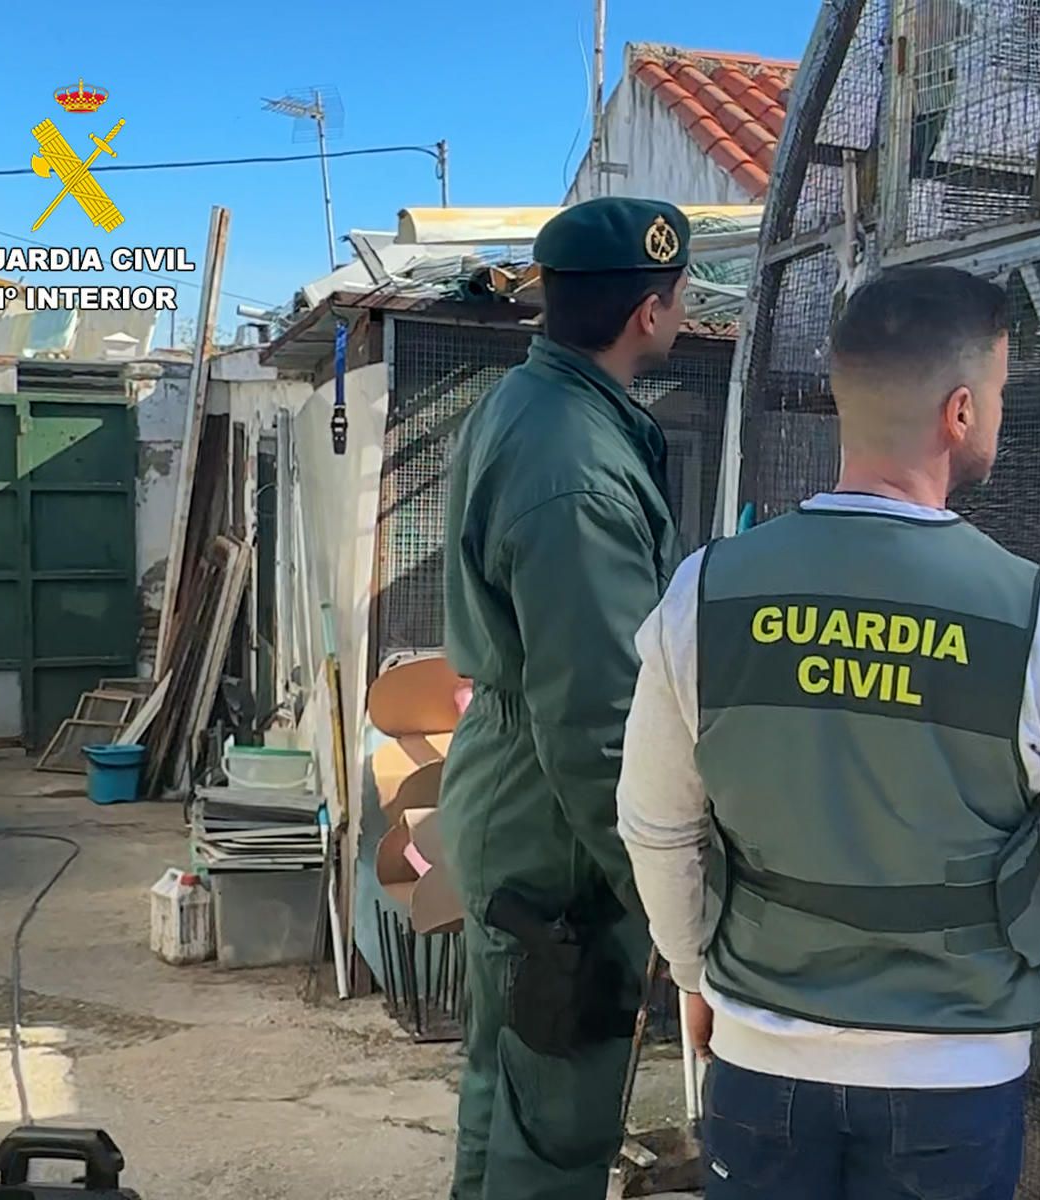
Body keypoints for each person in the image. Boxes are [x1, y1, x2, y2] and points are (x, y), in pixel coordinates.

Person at [617, 265, 1040, 1198]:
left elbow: (655, 824)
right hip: (953, 1081)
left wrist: (692, 973)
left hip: (765, 1056)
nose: (996, 414)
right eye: (997, 393)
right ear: (960, 411)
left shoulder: (704, 595)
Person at [440, 196, 691, 1200]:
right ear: (648, 313)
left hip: (511, 791)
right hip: (555, 825)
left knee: (506, 1087)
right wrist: (662, 894)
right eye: (675, 297)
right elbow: (594, 719)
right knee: (557, 1122)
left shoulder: (535, 401)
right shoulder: (577, 469)